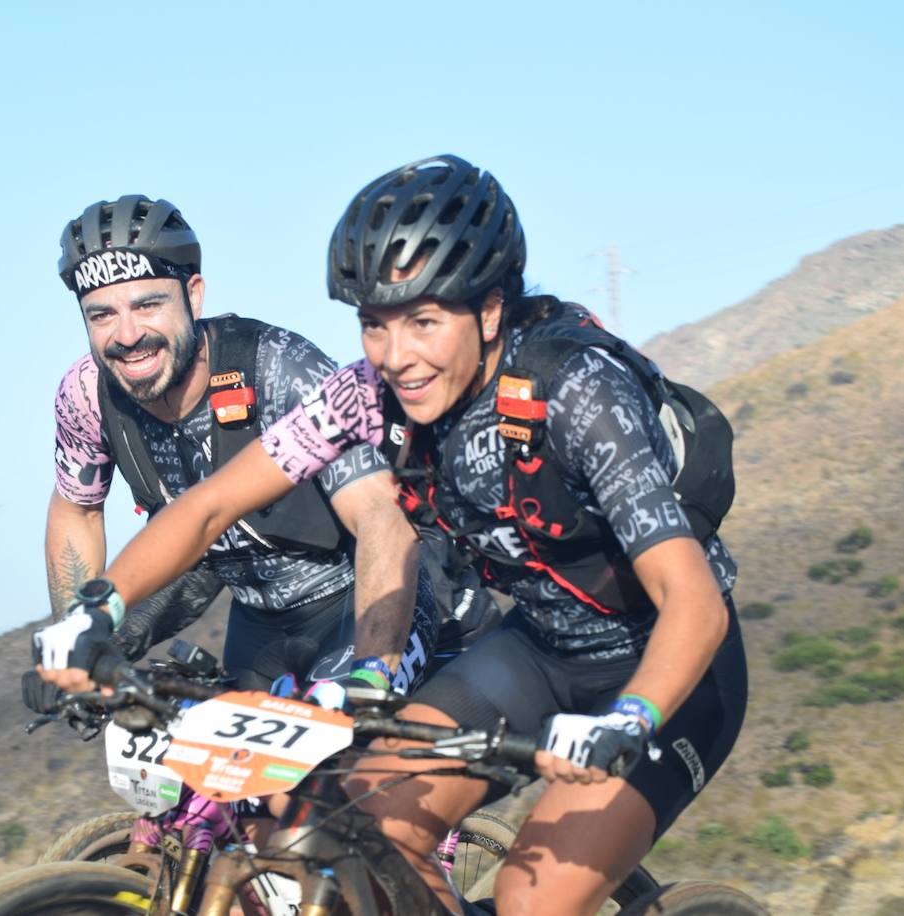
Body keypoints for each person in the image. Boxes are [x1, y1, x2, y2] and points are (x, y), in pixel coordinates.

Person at [37, 159, 747, 915]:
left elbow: (694, 603)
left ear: (490, 310)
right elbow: (211, 506)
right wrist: (96, 610)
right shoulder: (368, 395)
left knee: (527, 900)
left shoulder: (578, 393)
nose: (396, 355)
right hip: (539, 650)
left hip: (668, 667)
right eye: (374, 323)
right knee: (334, 830)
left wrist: (629, 720)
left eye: (424, 321)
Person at [37, 193, 437, 697]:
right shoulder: (85, 395)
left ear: (194, 295)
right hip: (255, 625)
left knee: (340, 743)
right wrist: (74, 641)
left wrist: (371, 675)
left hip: (360, 600)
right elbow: (77, 510)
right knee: (193, 751)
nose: (128, 334)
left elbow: (381, 514)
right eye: (101, 316)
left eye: (148, 305)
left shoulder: (276, 366)